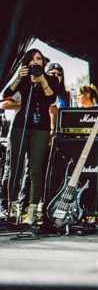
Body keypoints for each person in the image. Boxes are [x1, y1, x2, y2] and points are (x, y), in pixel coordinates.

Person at [1, 49, 59, 225]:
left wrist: (42, 81)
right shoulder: (24, 79)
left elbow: (51, 98)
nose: (36, 62)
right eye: (32, 60)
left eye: (39, 59)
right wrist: (19, 77)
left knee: (35, 169)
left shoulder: (50, 79)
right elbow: (5, 95)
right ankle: (12, 208)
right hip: (20, 125)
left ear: (43, 62)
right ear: (27, 63)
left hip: (40, 127)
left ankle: (32, 211)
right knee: (15, 168)